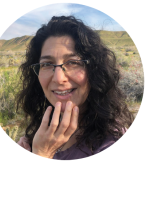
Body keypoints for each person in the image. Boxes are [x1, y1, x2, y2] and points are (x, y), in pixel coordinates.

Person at [16, 15, 133, 160]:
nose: (59, 79)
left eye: (73, 63)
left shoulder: (112, 144)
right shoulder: (43, 132)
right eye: (46, 64)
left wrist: (42, 154)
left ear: (94, 70)